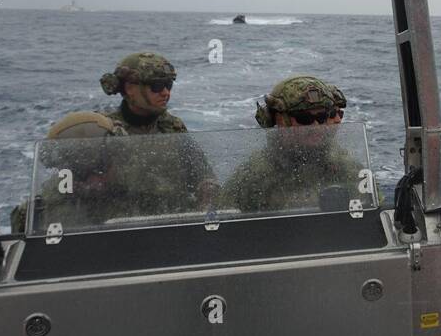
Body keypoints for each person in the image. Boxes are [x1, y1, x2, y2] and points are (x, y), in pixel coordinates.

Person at [218, 75, 366, 215]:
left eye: (321, 117)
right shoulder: (253, 177)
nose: (315, 125)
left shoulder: (348, 169)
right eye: (304, 118)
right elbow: (224, 222)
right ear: (281, 120)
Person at [98, 51, 218, 209]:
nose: (166, 93)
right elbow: (68, 190)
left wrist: (207, 192)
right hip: (120, 226)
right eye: (156, 86)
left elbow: (202, 173)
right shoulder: (102, 130)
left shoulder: (172, 127)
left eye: (168, 85)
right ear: (130, 88)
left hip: (171, 222)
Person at [10, 112, 129, 234]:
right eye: (81, 173)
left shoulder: (134, 195)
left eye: (102, 167)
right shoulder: (36, 213)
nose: (93, 181)